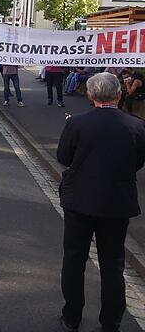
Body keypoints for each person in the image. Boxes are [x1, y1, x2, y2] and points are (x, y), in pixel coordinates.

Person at [56, 72, 145, 332]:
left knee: (74, 259)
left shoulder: (77, 124)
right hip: (117, 202)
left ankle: (72, 316)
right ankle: (111, 321)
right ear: (119, 95)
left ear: (90, 95)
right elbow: (137, 162)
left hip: (79, 200)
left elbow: (64, 157)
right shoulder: (137, 126)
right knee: (113, 263)